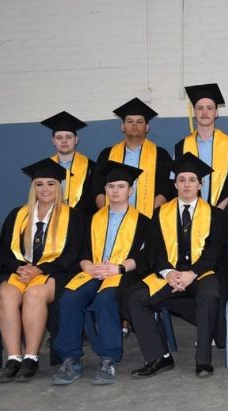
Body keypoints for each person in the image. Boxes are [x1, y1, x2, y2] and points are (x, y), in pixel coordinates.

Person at [52, 162, 149, 385]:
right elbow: (82, 251)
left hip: (123, 273)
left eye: (121, 186)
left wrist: (118, 268)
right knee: (69, 298)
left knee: (106, 299)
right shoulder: (92, 219)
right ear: (105, 190)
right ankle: (70, 359)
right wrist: (88, 267)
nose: (115, 191)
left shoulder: (143, 222)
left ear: (130, 191)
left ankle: (108, 359)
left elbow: (146, 257)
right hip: (93, 270)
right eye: (111, 186)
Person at [127, 153, 224, 378]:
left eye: (192, 180)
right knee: (136, 297)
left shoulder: (215, 215)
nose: (187, 184)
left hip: (201, 273)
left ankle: (203, 361)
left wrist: (192, 273)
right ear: (175, 184)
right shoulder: (160, 214)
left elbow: (215, 252)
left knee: (209, 294)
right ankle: (158, 357)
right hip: (168, 273)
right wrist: (169, 273)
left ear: (200, 184)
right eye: (182, 180)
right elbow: (155, 250)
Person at [0, 159, 84, 383]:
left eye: (50, 184)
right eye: (39, 184)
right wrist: (19, 267)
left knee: (34, 295)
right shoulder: (17, 215)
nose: (45, 189)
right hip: (20, 272)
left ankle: (31, 357)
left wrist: (40, 269)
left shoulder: (72, 216)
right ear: (32, 187)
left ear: (58, 187)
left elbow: (73, 255)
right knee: (6, 293)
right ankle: (13, 357)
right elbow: (4, 251)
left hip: (54, 272)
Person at [93, 98, 173, 218]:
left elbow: (165, 190)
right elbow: (97, 188)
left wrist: (150, 217)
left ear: (147, 127)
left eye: (140, 122)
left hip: (149, 220)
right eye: (129, 121)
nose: (134, 124)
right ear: (122, 127)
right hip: (113, 219)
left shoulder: (160, 155)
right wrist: (108, 214)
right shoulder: (107, 155)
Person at [175, 83, 228, 211]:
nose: (205, 112)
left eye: (209, 108)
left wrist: (216, 213)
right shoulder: (181, 146)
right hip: (189, 213)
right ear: (194, 112)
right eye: (200, 108)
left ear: (216, 112)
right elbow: (176, 183)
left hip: (222, 213)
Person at [42, 111, 96, 217]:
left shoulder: (91, 167)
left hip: (83, 223)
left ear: (76, 140)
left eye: (68, 137)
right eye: (59, 137)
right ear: (53, 141)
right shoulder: (44, 168)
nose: (64, 141)